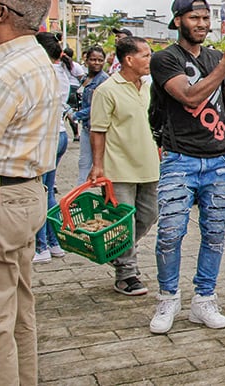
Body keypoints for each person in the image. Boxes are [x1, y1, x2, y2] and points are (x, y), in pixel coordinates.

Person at [0, 0, 58, 385]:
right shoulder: (34, 60)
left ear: (2, 13)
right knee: (16, 309)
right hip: (20, 198)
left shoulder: (4, 74)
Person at [148, 0, 225, 334]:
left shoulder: (214, 57)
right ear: (178, 21)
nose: (202, 24)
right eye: (195, 18)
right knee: (170, 233)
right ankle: (168, 298)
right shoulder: (165, 59)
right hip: (180, 158)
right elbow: (190, 96)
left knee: (215, 234)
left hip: (218, 160)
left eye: (206, 18)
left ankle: (204, 299)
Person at [88, 36, 160, 296]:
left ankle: (117, 251)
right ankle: (126, 274)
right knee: (123, 222)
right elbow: (97, 130)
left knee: (149, 214)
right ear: (129, 59)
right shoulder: (107, 90)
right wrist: (97, 166)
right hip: (118, 167)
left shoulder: (150, 87)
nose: (149, 60)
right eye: (146, 55)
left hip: (150, 164)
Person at [32, 32, 71, 263]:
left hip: (46, 138)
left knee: (40, 194)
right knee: (47, 193)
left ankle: (41, 247)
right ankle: (53, 243)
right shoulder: (61, 72)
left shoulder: (43, 72)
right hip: (59, 134)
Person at [73, 46, 109, 182]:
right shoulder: (85, 78)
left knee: (99, 165)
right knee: (83, 163)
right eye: (93, 60)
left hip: (98, 128)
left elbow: (97, 107)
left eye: (100, 60)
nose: (97, 63)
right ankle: (79, 195)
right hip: (87, 128)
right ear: (86, 60)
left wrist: (76, 115)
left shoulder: (104, 80)